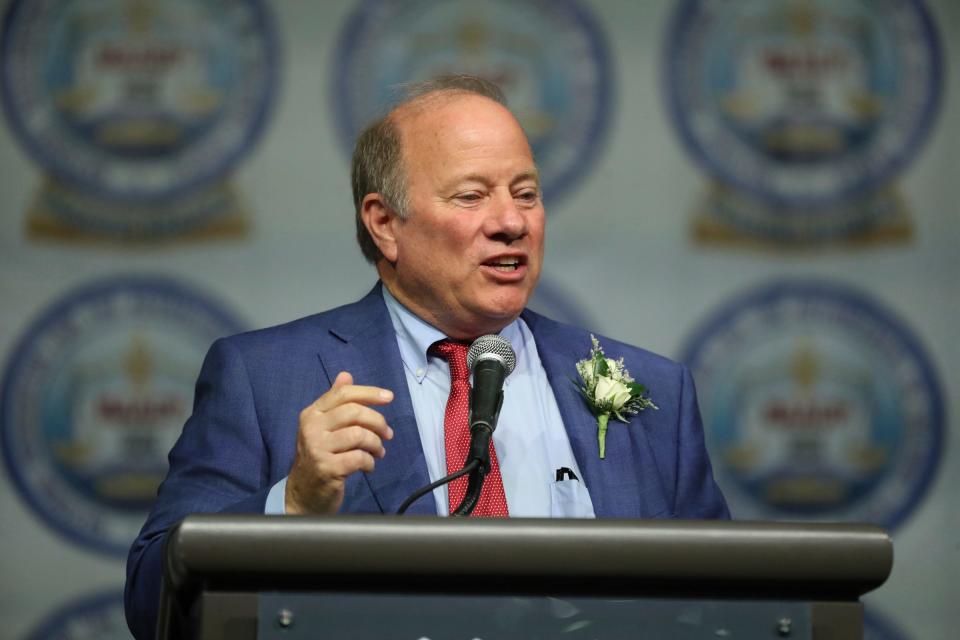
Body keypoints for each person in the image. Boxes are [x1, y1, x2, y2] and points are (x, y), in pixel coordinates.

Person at [124, 75, 729, 639]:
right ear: (385, 224)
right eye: (471, 196)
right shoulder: (264, 380)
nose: (512, 222)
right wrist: (294, 505)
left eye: (526, 193)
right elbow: (153, 600)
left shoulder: (656, 392)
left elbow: (730, 607)